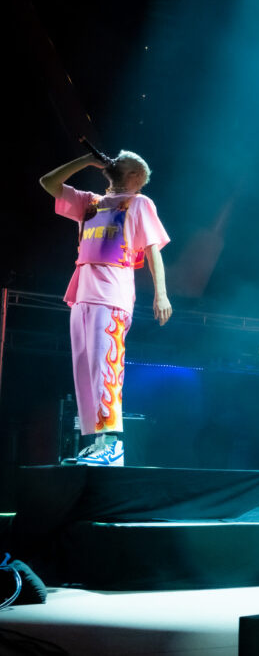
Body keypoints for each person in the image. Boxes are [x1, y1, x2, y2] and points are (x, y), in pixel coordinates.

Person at [39, 150, 171, 466]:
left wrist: (161, 294)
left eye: (121, 160)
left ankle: (113, 446)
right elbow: (47, 182)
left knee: (106, 368)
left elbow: (153, 252)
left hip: (112, 294)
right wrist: (84, 160)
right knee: (84, 370)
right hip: (82, 292)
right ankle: (97, 445)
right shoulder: (91, 202)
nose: (113, 161)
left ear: (136, 176)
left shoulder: (140, 203)